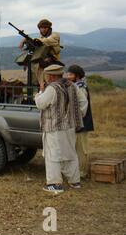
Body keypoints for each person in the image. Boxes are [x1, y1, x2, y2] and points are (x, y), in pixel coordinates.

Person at [34, 64, 88, 194]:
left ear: (51, 76)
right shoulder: (72, 85)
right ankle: (75, 181)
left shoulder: (52, 88)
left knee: (53, 155)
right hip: (70, 126)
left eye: (46, 75)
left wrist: (38, 94)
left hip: (54, 127)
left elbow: (41, 104)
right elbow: (83, 101)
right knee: (69, 153)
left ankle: (54, 184)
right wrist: (77, 115)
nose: (46, 78)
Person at [66, 65, 94, 178]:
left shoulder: (80, 87)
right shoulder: (76, 85)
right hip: (78, 122)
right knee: (76, 147)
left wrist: (78, 119)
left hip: (82, 121)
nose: (68, 76)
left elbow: (82, 105)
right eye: (68, 74)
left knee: (81, 149)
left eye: (71, 74)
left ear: (77, 76)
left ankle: (82, 172)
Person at [19, 19, 62, 86]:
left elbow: (46, 41)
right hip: (43, 65)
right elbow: (30, 47)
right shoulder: (40, 38)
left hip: (53, 65)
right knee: (40, 84)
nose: (43, 29)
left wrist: (32, 40)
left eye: (45, 27)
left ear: (49, 28)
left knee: (52, 85)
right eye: (41, 28)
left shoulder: (54, 35)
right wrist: (25, 40)